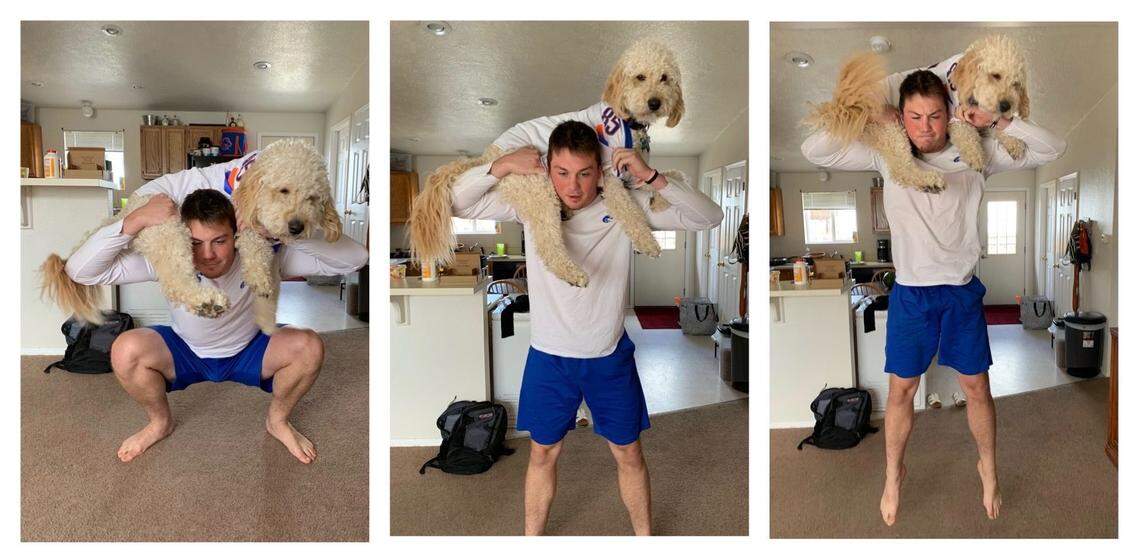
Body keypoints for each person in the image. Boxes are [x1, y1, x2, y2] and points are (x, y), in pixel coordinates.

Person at [802, 69, 1066, 526]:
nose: (925, 128)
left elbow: (1052, 149)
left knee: (977, 388)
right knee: (901, 390)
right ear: (901, 117)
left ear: (950, 113)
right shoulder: (887, 151)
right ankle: (893, 474)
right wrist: (873, 111)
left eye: (935, 116)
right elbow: (815, 148)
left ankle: (988, 469)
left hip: (961, 293)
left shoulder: (978, 150)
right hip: (912, 295)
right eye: (914, 116)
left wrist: (996, 119)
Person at [450, 120, 723, 535]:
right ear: (548, 168)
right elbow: (457, 203)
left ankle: (645, 538)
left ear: (600, 171)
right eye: (562, 172)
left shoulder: (626, 204)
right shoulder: (530, 202)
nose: (572, 186)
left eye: (583, 173)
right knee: (542, 454)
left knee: (629, 453)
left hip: (608, 357)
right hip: (549, 359)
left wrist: (651, 176)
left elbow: (710, 217)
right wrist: (502, 165)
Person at [65, 188, 368, 464]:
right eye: (196, 243)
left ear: (236, 235)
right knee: (124, 349)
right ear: (182, 240)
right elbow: (80, 270)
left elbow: (356, 259)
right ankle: (160, 422)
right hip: (185, 350)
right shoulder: (169, 259)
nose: (208, 255)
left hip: (251, 349)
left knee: (310, 346)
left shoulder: (262, 255)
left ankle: (277, 421)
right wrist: (136, 219)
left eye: (219, 241)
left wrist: (285, 230)